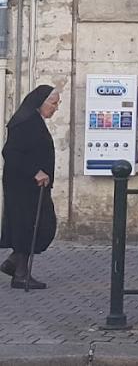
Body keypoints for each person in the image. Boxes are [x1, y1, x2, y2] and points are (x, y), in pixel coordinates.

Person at [0, 85, 61, 290]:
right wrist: (35, 171)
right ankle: (20, 274)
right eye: (53, 103)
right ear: (40, 103)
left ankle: (13, 263)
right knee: (29, 226)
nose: (56, 108)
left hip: (35, 186)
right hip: (23, 185)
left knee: (42, 225)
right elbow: (11, 153)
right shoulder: (24, 123)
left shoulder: (34, 121)